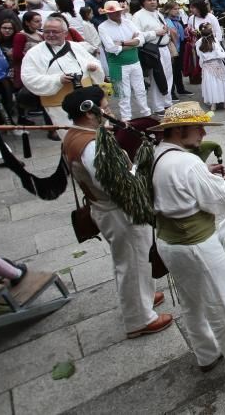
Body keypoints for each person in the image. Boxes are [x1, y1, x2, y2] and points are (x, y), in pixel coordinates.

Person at [150, 102, 225, 382]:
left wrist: (206, 174)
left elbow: (188, 185)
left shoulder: (159, 153)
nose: (203, 133)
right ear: (179, 131)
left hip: (169, 242)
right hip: (196, 245)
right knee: (223, 299)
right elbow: (221, 201)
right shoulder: (187, 162)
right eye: (198, 127)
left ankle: (206, 352)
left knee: (192, 300)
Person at [60, 86, 173, 340]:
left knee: (133, 259)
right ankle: (139, 319)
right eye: (105, 107)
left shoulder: (77, 135)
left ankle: (140, 297)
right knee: (132, 262)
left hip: (106, 208)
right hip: (119, 212)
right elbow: (113, 184)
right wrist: (142, 169)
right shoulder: (90, 145)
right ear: (89, 113)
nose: (109, 111)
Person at [19, 15, 104, 128]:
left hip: (85, 99)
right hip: (58, 103)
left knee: (94, 132)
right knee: (72, 136)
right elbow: (28, 77)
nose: (50, 35)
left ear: (65, 33)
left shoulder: (77, 47)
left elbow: (95, 63)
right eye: (47, 32)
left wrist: (93, 68)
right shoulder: (34, 53)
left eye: (55, 32)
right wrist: (58, 80)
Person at [97, 0, 151, 121]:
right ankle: (126, 118)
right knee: (123, 94)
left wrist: (122, 43)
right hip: (118, 65)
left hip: (134, 61)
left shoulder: (128, 22)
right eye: (113, 12)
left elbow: (141, 39)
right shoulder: (103, 27)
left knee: (141, 89)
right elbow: (111, 48)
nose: (116, 14)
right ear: (107, 14)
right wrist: (133, 43)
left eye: (118, 11)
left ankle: (146, 113)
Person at [133, 0, 174, 114]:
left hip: (164, 48)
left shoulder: (158, 13)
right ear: (143, 2)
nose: (152, 2)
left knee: (167, 75)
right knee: (157, 77)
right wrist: (155, 33)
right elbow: (136, 36)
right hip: (152, 50)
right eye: (149, 0)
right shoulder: (138, 16)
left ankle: (167, 102)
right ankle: (158, 106)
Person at [195, 22, 225, 110]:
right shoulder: (215, 41)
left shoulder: (198, 42)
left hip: (207, 66)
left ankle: (213, 104)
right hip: (217, 64)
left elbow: (199, 55)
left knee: (211, 84)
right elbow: (220, 53)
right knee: (221, 82)